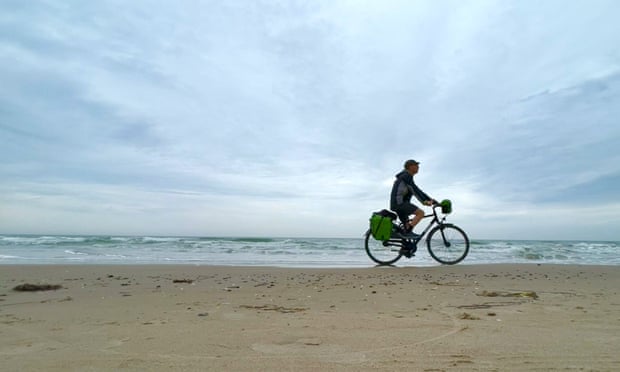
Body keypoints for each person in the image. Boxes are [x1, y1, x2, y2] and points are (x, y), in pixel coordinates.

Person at [390, 159, 436, 238]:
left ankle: (405, 248)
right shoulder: (406, 176)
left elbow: (417, 190)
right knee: (420, 213)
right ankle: (408, 232)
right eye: (416, 165)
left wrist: (430, 199)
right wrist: (425, 201)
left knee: (406, 229)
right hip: (399, 203)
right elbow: (415, 191)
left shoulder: (405, 176)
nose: (418, 167)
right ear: (410, 167)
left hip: (397, 204)